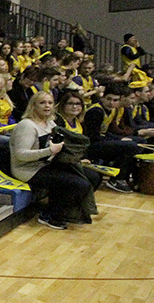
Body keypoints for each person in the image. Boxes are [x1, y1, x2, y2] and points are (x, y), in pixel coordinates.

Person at [10, 90, 100, 229]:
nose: (47, 106)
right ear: (33, 106)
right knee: (78, 184)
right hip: (28, 169)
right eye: (42, 103)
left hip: (48, 164)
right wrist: (49, 151)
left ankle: (69, 211)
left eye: (50, 103)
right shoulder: (27, 125)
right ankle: (50, 215)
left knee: (93, 177)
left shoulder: (50, 123)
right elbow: (20, 155)